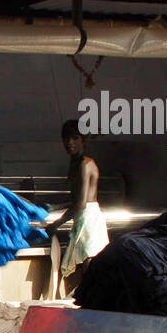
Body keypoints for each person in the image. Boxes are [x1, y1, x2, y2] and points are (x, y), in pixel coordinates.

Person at [45, 119, 109, 291]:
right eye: (66, 139)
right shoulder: (75, 163)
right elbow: (77, 199)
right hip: (82, 218)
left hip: (89, 220)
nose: (69, 143)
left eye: (74, 138)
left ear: (83, 139)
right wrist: (54, 207)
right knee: (84, 268)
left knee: (89, 265)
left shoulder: (85, 164)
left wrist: (56, 224)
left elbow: (81, 204)